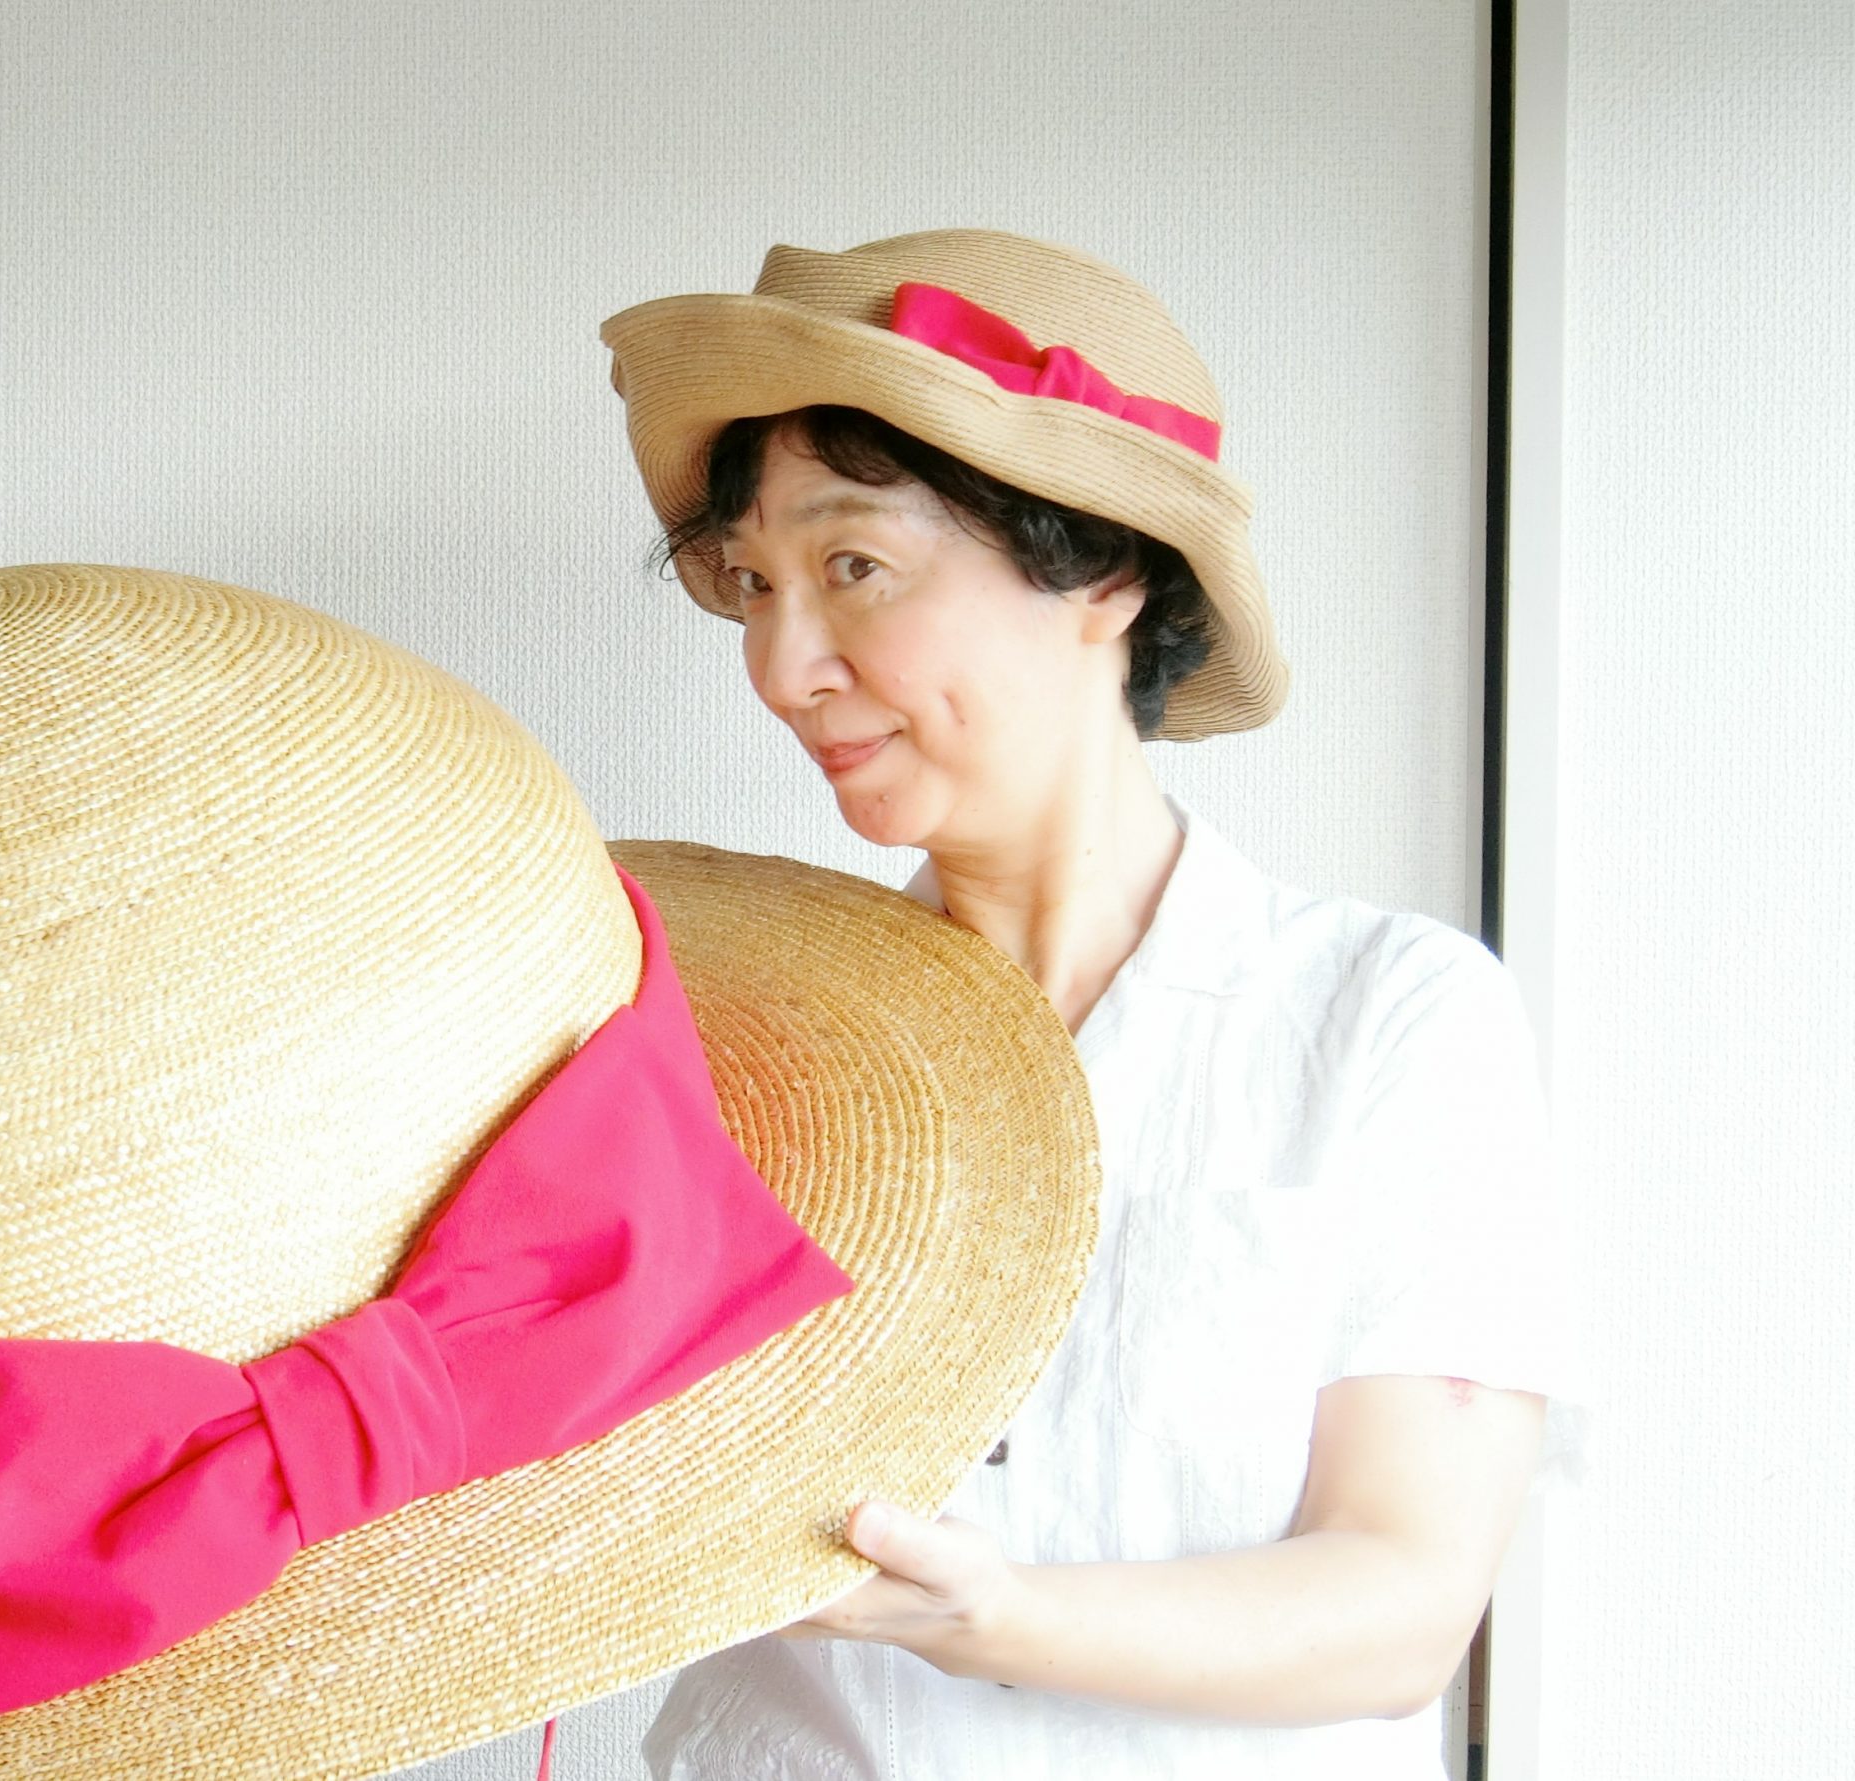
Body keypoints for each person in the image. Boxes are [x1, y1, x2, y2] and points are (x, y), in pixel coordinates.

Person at [597, 230, 1584, 1779]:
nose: (783, 667)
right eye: (754, 584)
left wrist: (987, 1613)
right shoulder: (736, 1036)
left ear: (1105, 570)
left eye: (853, 568)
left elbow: (1404, 1603)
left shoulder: (1385, 1019)